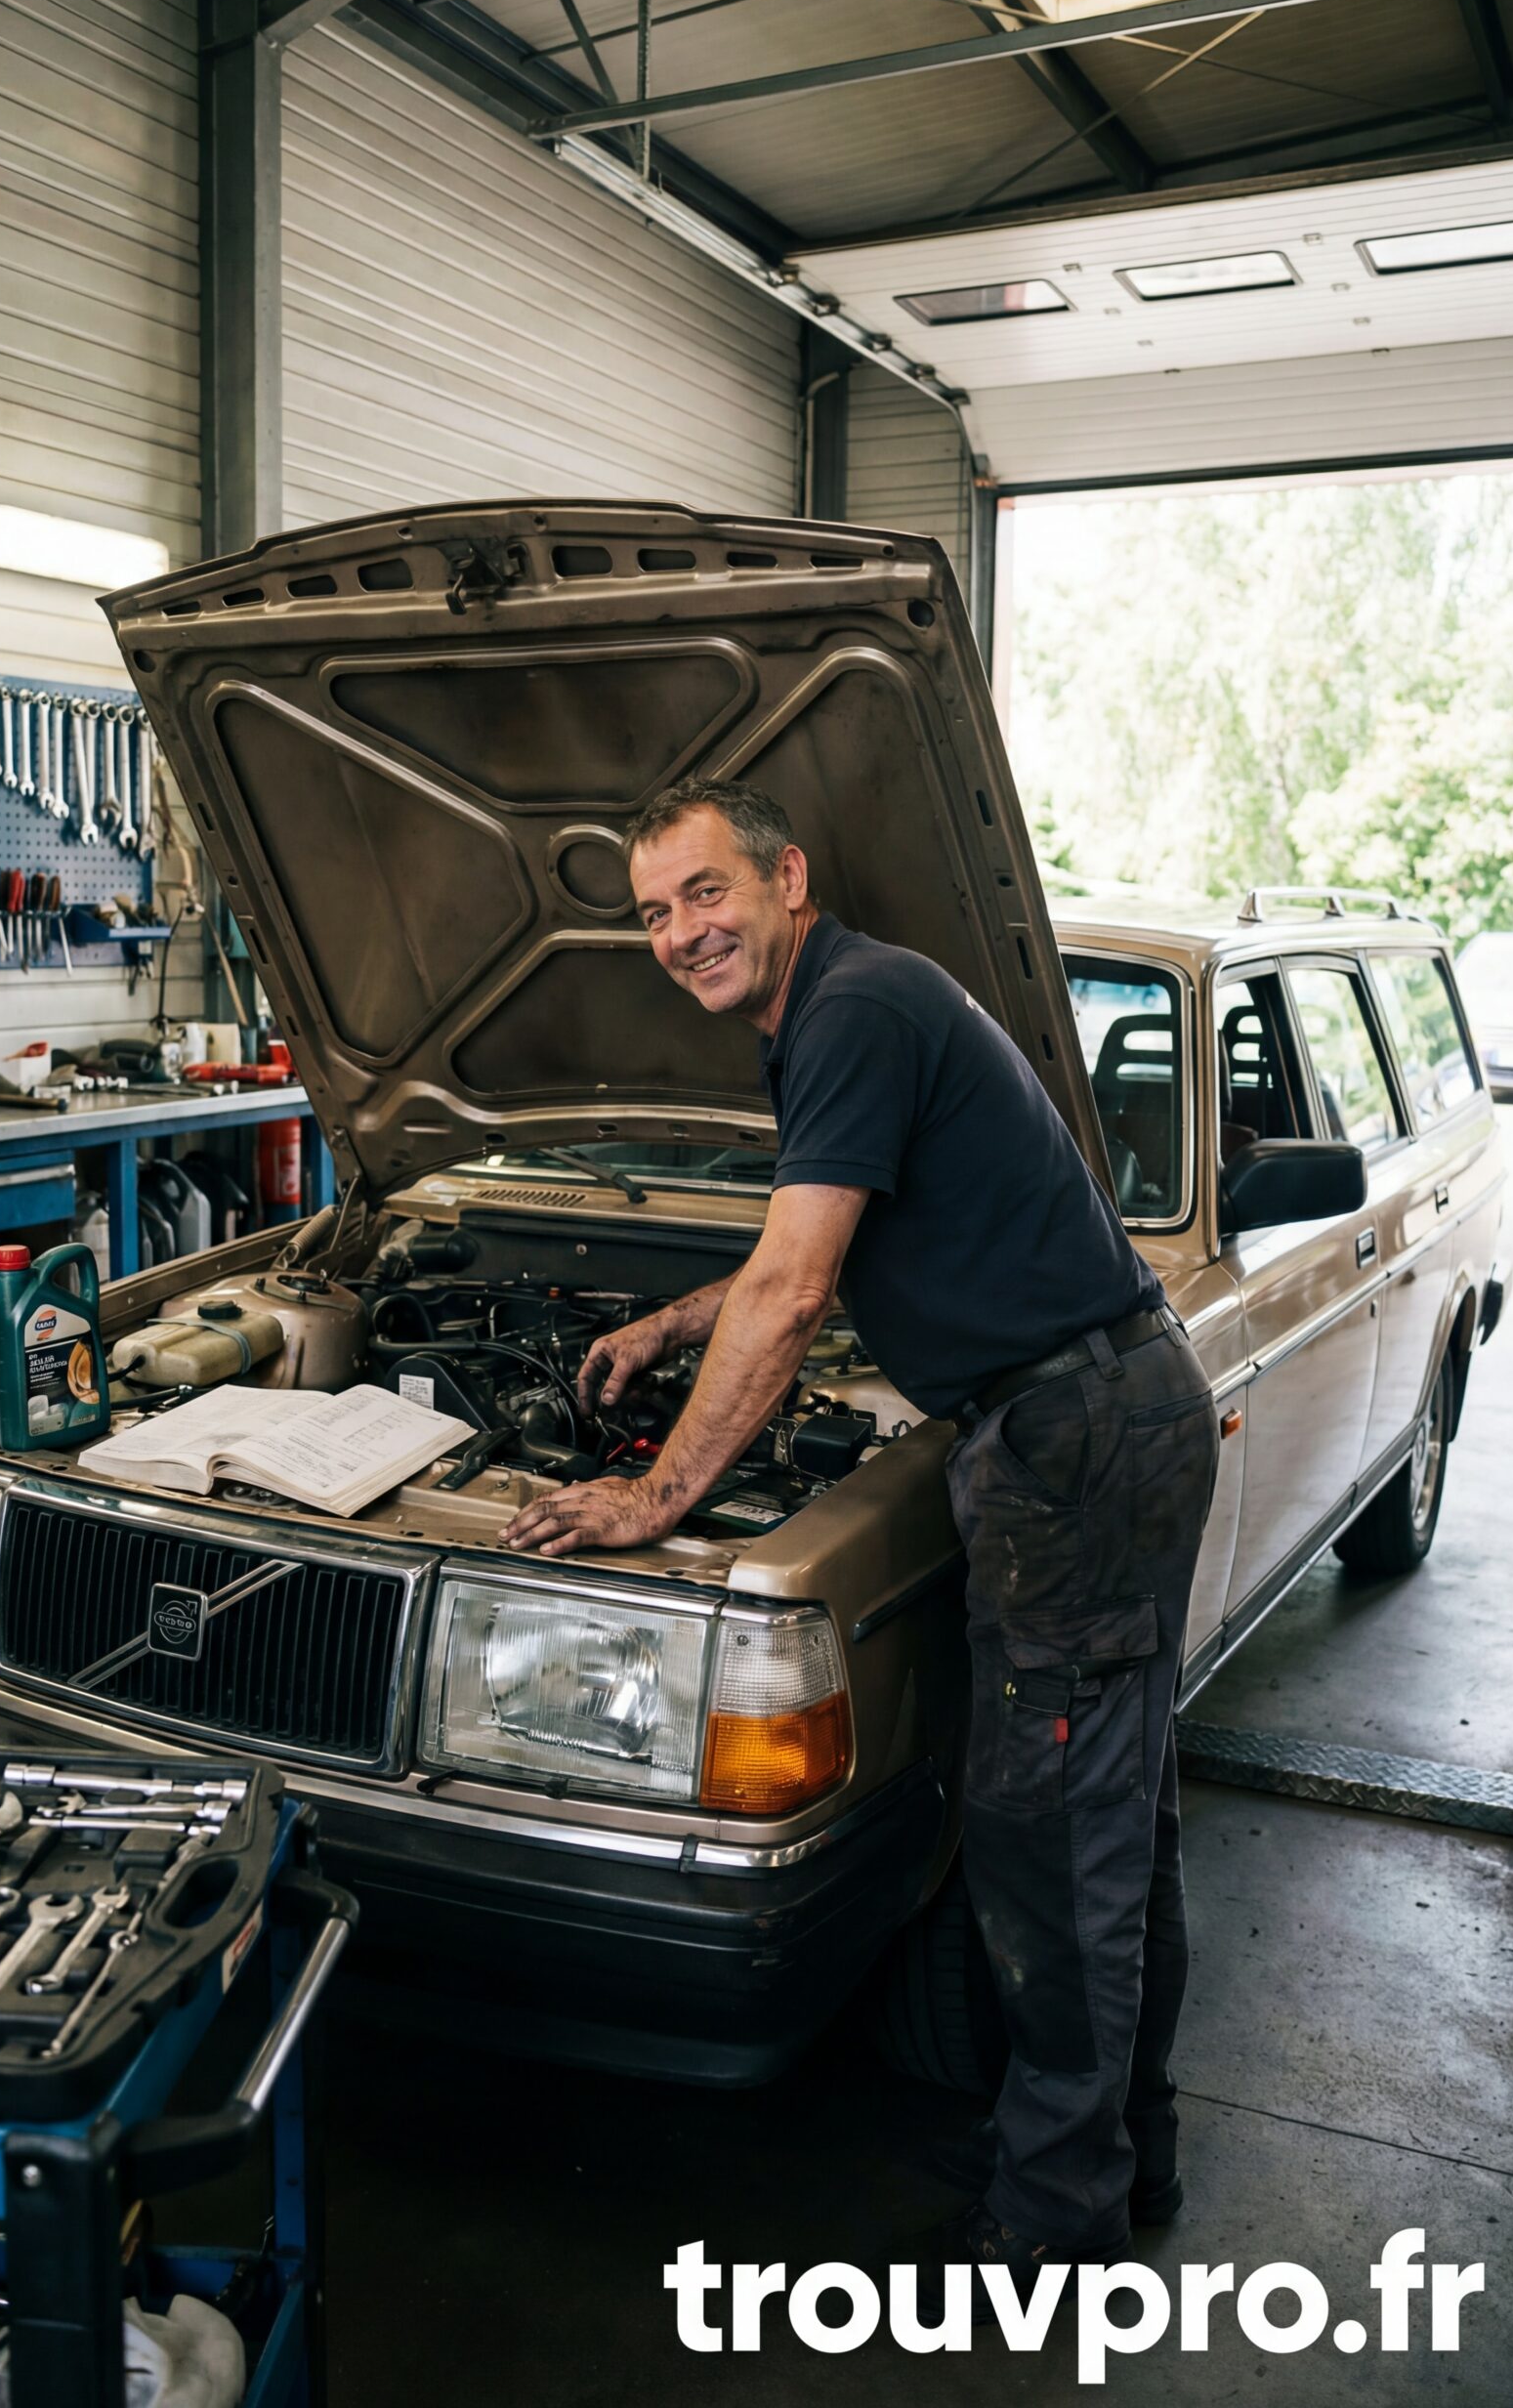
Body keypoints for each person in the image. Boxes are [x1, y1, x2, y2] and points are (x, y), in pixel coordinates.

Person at [499, 778, 1220, 2294]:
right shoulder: (844, 1009)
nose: (681, 933)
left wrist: (654, 1497)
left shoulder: (856, 1009)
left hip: (1070, 1440)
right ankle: (1105, 2141)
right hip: (1089, 1416)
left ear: (787, 881)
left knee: (1053, 1834)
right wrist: (670, 1318)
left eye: (704, 894)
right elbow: (807, 1242)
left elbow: (798, 1290)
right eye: (651, 914)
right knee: (1107, 1817)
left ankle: (1060, 2206)